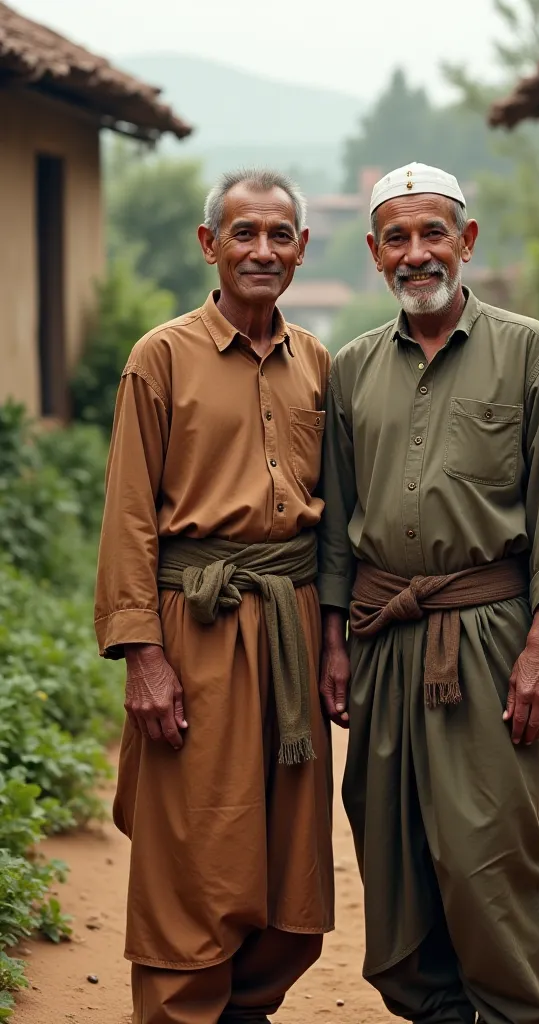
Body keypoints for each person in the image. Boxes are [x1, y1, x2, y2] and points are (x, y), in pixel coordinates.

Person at [317, 162, 539, 1024]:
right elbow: (337, 523)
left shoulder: (527, 350)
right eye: (396, 238)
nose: (416, 254)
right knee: (393, 847)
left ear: (466, 241)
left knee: (491, 848)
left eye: (432, 232)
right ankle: (433, 1009)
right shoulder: (351, 370)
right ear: (373, 253)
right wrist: (335, 640)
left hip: (488, 637)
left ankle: (518, 1010)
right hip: (381, 635)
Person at [95, 169, 334, 1024]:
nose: (262, 250)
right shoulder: (160, 357)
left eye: (279, 235)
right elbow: (127, 514)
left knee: (290, 854)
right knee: (197, 848)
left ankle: (247, 1009)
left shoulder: (317, 362)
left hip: (293, 627)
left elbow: (332, 519)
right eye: (244, 233)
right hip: (194, 627)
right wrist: (142, 656)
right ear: (211, 244)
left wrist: (334, 638)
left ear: (302, 249)